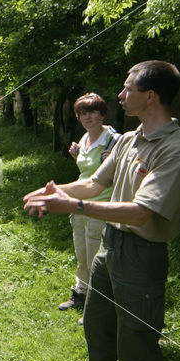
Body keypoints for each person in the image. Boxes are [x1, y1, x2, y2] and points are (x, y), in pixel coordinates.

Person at [23, 61, 180, 361]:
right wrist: (54, 192)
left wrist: (75, 206)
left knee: (136, 343)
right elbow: (93, 184)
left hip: (141, 257)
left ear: (151, 96)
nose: (120, 94)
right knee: (97, 326)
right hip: (109, 244)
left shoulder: (177, 148)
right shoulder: (129, 139)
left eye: (128, 88)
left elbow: (141, 212)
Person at [58, 93, 121, 324]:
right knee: (82, 253)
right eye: (82, 113)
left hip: (101, 204)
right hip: (80, 204)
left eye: (92, 111)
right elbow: (86, 173)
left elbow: (123, 174)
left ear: (102, 114)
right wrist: (75, 155)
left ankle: (97, 306)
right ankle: (80, 293)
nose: (87, 116)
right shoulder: (83, 139)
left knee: (97, 258)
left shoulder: (114, 140)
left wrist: (114, 162)